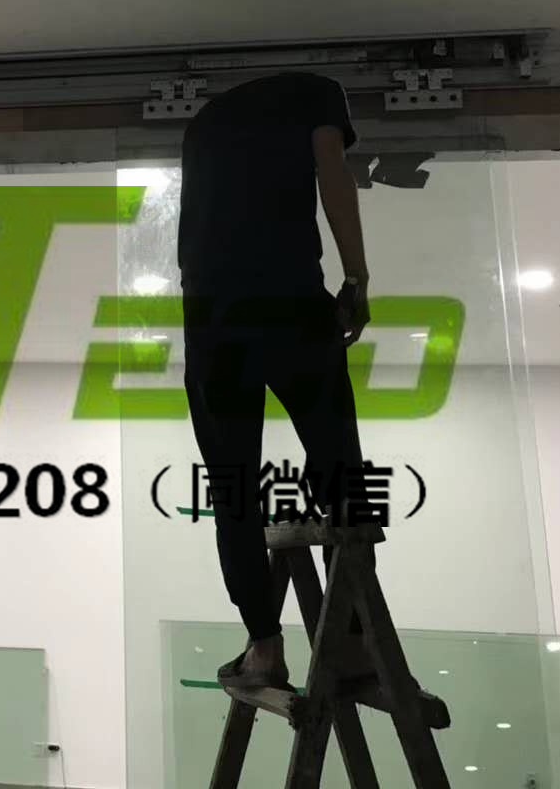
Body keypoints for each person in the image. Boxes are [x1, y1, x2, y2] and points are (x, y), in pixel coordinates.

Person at [176, 70, 372, 689]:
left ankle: (264, 646)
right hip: (293, 304)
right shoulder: (317, 91)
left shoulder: (202, 125)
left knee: (233, 487)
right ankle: (354, 643)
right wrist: (357, 277)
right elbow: (333, 173)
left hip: (212, 317)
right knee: (340, 469)